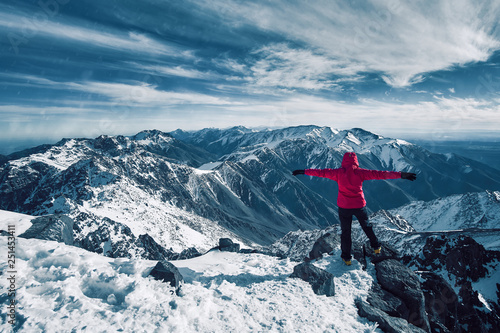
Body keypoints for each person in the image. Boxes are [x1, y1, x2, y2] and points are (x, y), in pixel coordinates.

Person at [292, 152, 416, 265]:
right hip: (359, 206)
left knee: (346, 233)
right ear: (356, 161)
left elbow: (320, 172)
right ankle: (376, 246)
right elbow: (381, 174)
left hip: (344, 207)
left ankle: (346, 258)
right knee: (367, 227)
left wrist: (304, 171)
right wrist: (401, 175)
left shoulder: (337, 172)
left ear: (344, 161)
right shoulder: (361, 172)